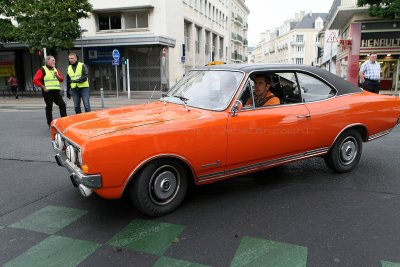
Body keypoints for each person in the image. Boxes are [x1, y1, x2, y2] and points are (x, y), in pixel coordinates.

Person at [33, 55, 67, 127]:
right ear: (47, 61)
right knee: (49, 107)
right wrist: (43, 87)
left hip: (56, 92)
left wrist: (57, 76)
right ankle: (50, 123)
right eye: (52, 60)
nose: (54, 61)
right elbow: (35, 80)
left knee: (62, 105)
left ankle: (64, 122)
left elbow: (62, 79)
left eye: (54, 60)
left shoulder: (55, 69)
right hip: (48, 92)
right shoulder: (42, 69)